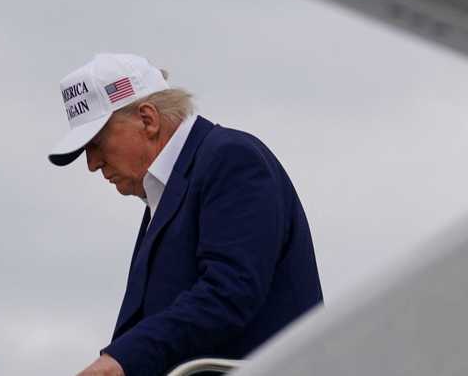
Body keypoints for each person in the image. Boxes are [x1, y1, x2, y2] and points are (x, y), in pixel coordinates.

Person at [47, 53, 323, 376]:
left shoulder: (230, 158)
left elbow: (229, 293)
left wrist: (121, 360)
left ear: (148, 119)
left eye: (96, 143)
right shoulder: (171, 192)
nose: (92, 164)